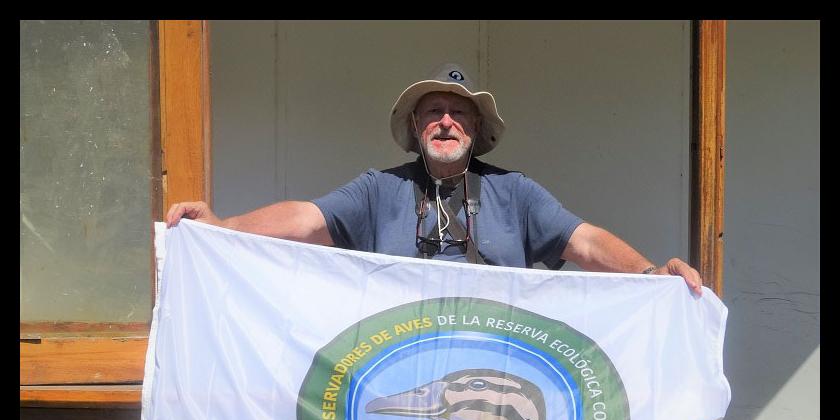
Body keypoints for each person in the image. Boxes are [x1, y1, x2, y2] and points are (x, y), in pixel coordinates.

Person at [166, 63, 702, 295]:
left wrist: (649, 273)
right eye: (433, 112)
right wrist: (223, 227)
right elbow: (305, 219)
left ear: (477, 129)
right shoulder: (377, 190)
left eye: (459, 112)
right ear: (416, 128)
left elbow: (584, 242)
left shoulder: (516, 192)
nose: (446, 121)